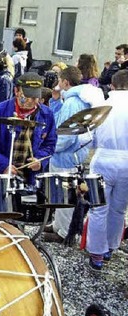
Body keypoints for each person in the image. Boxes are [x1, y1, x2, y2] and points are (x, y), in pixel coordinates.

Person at [46, 66, 104, 242]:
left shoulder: (72, 103)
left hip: (66, 156)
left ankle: (63, 231)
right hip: (74, 154)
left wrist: (51, 147)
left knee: (65, 194)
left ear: (65, 82)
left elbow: (67, 135)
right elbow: (60, 122)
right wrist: (55, 101)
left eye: (59, 80)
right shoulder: (76, 99)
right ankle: (58, 225)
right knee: (64, 193)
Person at [0, 72, 57, 185]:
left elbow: (49, 144)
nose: (32, 101)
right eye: (27, 96)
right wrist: (3, 165)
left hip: (31, 180)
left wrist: (40, 160)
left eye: (35, 97)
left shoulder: (47, 114)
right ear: (16, 91)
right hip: (0, 178)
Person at [84, 70, 128, 270]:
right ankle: (111, 247)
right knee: (118, 209)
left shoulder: (101, 106)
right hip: (126, 162)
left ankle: (97, 254)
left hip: (102, 159)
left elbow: (87, 137)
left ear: (112, 85)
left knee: (98, 208)